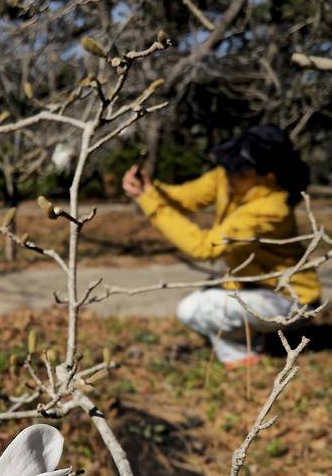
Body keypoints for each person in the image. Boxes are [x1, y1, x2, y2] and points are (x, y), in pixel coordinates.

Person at [122, 125, 321, 368]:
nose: (227, 176)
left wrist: (148, 201)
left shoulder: (271, 209)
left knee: (196, 308)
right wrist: (151, 189)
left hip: (289, 300)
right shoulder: (229, 176)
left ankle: (243, 356)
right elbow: (186, 197)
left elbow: (204, 247)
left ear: (267, 177)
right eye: (228, 167)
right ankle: (260, 340)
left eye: (239, 171)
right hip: (252, 289)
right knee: (209, 299)